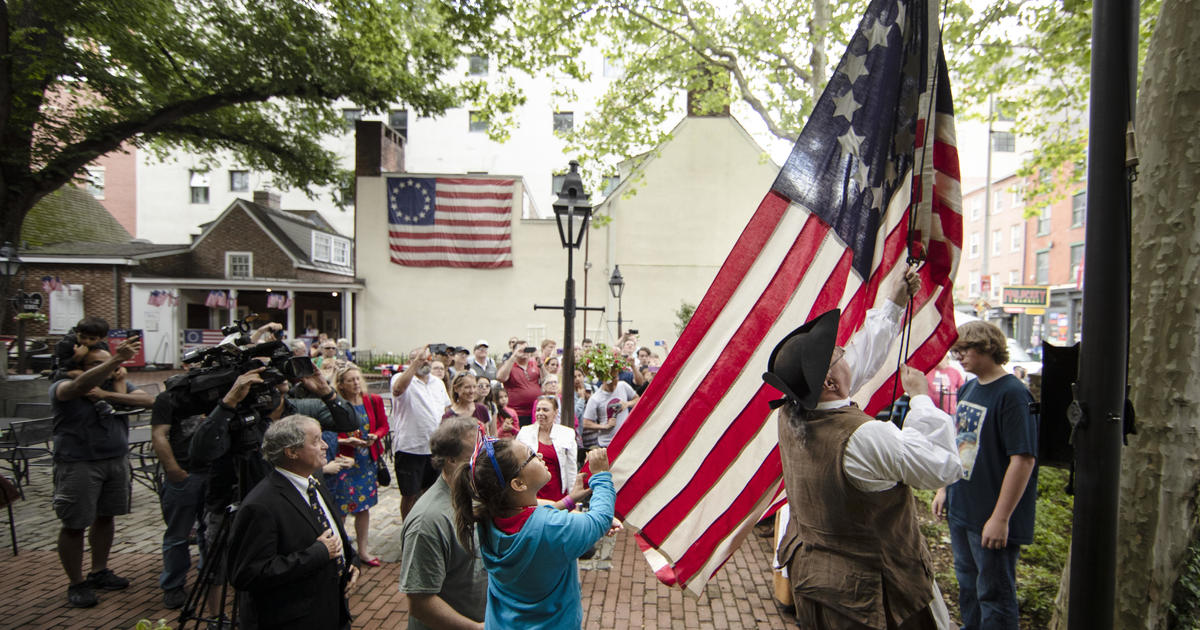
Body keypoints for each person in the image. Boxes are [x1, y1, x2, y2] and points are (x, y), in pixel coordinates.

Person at [764, 307, 963, 630]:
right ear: (828, 381)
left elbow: (855, 365)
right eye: (838, 353)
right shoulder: (865, 436)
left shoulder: (791, 411)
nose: (846, 355)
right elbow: (942, 466)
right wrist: (922, 400)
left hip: (818, 586)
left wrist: (894, 304)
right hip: (874, 599)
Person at [932, 321, 1037, 630]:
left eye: (964, 350)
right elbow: (957, 444)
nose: (959, 357)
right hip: (962, 510)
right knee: (969, 587)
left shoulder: (1014, 395)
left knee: (995, 595)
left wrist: (1001, 518)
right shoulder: (968, 387)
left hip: (991, 516)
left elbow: (1023, 459)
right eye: (956, 351)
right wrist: (943, 489)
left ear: (986, 348)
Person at [451, 437, 614, 629]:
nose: (540, 454)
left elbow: (535, 518)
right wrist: (601, 475)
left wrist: (569, 501)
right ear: (518, 484)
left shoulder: (488, 519)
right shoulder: (552, 528)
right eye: (531, 455)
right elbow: (600, 519)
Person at [228, 415, 360, 630]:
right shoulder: (261, 505)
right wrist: (316, 554)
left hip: (332, 610)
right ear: (291, 452)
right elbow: (247, 574)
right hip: (295, 619)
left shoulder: (313, 481)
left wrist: (352, 561)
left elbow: (334, 533)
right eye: (316, 440)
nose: (325, 446)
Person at [50, 335, 154, 608]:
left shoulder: (111, 385)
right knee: (74, 524)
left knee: (105, 517)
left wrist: (110, 391)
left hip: (115, 460)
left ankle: (99, 570)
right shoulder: (63, 385)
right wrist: (117, 360)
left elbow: (148, 400)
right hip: (78, 463)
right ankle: (75, 582)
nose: (107, 368)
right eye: (98, 364)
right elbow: (78, 386)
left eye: (108, 363)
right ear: (81, 367)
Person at [399, 417, 488, 630]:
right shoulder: (428, 521)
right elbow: (420, 603)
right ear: (451, 460)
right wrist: (477, 628)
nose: (484, 457)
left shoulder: (472, 492)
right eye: (476, 452)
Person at [150, 396, 211, 609]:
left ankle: (210, 575)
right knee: (178, 533)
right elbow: (159, 434)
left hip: (213, 473)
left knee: (210, 530)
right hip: (184, 474)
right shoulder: (170, 397)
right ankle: (173, 584)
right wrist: (172, 468)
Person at [332, 364, 389, 566]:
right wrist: (345, 442)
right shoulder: (335, 404)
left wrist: (376, 435)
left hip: (367, 462)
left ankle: (363, 550)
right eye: (350, 380)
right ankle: (340, 551)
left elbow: (384, 425)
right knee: (340, 508)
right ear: (341, 385)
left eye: (358, 379)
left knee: (363, 507)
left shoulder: (372, 400)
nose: (356, 383)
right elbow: (328, 433)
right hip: (344, 463)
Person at [391, 346, 452, 519]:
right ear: (410, 361)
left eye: (426, 358)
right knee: (410, 494)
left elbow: (446, 410)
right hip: (410, 448)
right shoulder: (401, 379)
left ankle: (428, 524)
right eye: (418, 358)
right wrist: (415, 364)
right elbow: (397, 390)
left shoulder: (437, 382)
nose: (423, 361)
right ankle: (408, 529)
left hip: (434, 449)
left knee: (432, 492)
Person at [516, 396, 577, 502]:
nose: (540, 413)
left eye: (545, 410)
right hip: (532, 492)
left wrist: (573, 497)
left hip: (557, 492)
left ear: (555, 412)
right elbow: (517, 462)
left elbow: (571, 467)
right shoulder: (524, 432)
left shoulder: (567, 433)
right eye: (538, 409)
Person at [497, 341, 541, 426]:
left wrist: (540, 363)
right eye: (521, 349)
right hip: (518, 413)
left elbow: (546, 380)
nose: (524, 352)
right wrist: (514, 356)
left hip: (535, 411)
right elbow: (500, 377)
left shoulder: (535, 364)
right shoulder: (509, 365)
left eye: (526, 349)